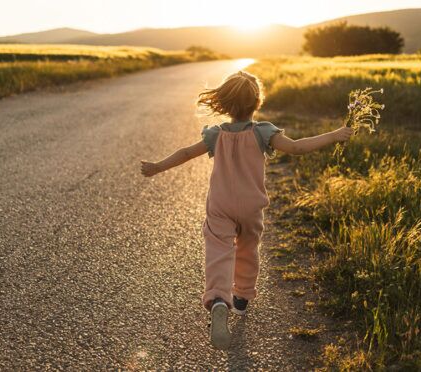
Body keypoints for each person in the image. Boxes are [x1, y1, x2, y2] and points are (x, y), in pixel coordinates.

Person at [140, 70, 354, 349]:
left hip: (220, 205)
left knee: (219, 251)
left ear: (225, 105)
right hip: (251, 206)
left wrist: (157, 167)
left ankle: (219, 299)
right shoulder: (263, 131)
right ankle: (241, 299)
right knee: (248, 250)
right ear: (257, 102)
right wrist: (336, 134)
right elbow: (298, 148)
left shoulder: (216, 134)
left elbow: (184, 153)